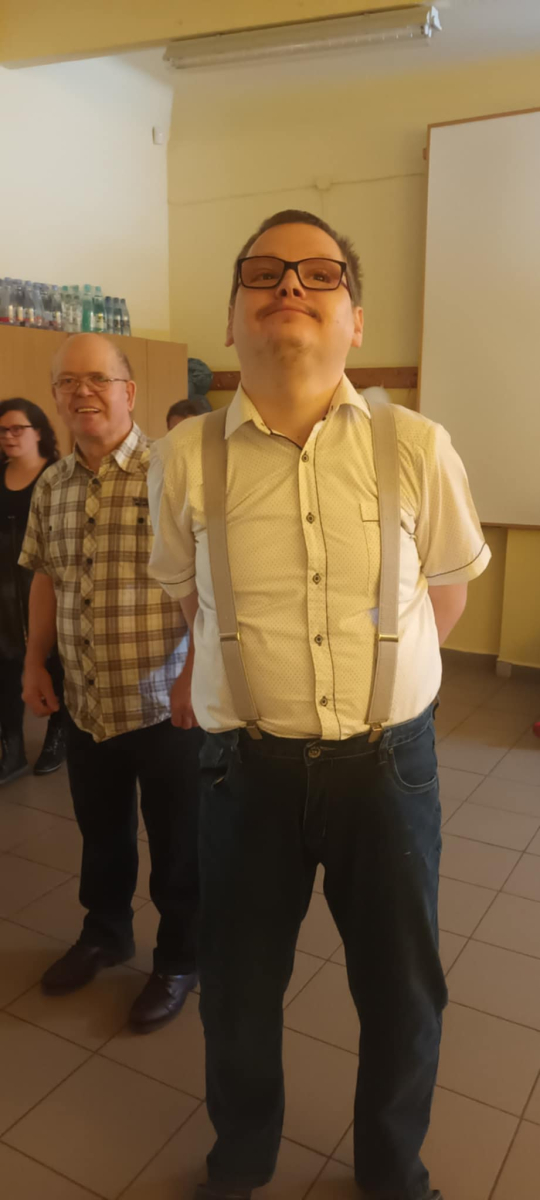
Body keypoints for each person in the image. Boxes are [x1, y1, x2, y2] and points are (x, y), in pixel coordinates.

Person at [149, 210, 492, 1200]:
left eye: (318, 273)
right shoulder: (183, 458)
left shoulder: (417, 445)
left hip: (389, 769)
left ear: (356, 319)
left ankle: (391, 1171)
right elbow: (192, 599)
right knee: (239, 991)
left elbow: (445, 595)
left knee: (402, 991)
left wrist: (385, 676)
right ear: (232, 318)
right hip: (242, 771)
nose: (289, 286)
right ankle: (240, 1162)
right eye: (263, 273)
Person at [20, 334, 202, 1033]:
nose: (82, 392)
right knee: (101, 835)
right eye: (68, 381)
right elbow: (45, 577)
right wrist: (35, 662)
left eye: (98, 378)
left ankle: (180, 958)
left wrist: (196, 673)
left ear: (129, 391)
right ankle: (105, 934)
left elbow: (211, 585)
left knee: (179, 844)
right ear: (56, 397)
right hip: (87, 699)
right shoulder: (52, 484)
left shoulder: (172, 472)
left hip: (166, 702)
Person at [0, 398, 65, 785]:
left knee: (53, 658)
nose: (8, 436)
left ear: (38, 431)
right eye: (2, 430)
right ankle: (11, 746)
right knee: (4, 664)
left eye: (17, 428)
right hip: (3, 587)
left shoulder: (56, 476)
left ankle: (59, 732)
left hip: (42, 581)